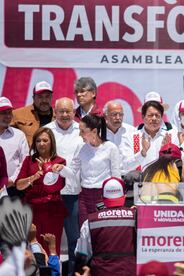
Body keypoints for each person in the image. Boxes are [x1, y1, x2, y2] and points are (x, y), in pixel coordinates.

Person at [52, 114, 121, 225]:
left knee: (101, 229)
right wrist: (61, 168)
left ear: (94, 131)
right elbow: (72, 172)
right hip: (84, 196)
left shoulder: (111, 148)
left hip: (103, 196)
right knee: (84, 229)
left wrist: (116, 200)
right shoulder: (81, 147)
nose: (80, 134)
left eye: (82, 131)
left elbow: (116, 177)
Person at [45, 97, 83, 274]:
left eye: (68, 111)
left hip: (74, 192)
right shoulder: (46, 131)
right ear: (55, 112)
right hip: (51, 194)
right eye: (61, 111)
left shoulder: (82, 130)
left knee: (75, 237)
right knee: (49, 237)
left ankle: (73, 272)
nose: (65, 115)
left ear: (74, 112)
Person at [15, 127, 66, 255]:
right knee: (33, 248)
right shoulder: (28, 160)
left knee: (52, 248)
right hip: (32, 211)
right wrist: (33, 177)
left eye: (45, 140)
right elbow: (19, 186)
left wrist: (47, 172)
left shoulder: (60, 162)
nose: (41, 144)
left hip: (52, 211)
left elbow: (59, 186)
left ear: (51, 143)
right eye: (38, 141)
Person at [75, 177, 136, 276]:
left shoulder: (89, 221)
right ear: (124, 196)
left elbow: (81, 254)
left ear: (103, 198)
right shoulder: (136, 217)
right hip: (130, 272)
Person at [133, 92, 179, 170]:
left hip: (165, 179)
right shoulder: (134, 134)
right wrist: (143, 152)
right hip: (140, 180)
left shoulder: (172, 132)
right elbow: (126, 166)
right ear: (143, 116)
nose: (154, 118)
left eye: (157, 115)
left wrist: (165, 152)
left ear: (162, 114)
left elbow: (178, 161)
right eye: (150, 115)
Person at [0, 96, 29, 198]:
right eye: (3, 113)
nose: (8, 116)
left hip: (13, 190)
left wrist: (12, 179)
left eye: (9, 112)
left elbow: (25, 161)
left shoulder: (19, 135)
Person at [11, 81, 54, 146]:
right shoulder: (17, 114)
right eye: (40, 97)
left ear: (51, 97)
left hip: (53, 155)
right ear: (33, 98)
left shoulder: (59, 116)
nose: (44, 100)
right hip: (28, 155)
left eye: (47, 96)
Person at [104, 100, 140, 174]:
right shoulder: (99, 132)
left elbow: (137, 154)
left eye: (120, 114)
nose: (118, 117)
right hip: (106, 177)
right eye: (114, 114)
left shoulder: (133, 131)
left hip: (128, 177)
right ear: (105, 116)